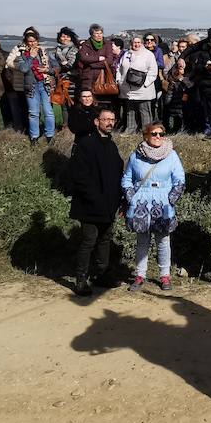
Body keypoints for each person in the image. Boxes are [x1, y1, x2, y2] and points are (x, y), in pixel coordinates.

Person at [67, 107, 125, 297]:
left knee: (105, 239)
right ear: (96, 121)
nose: (109, 122)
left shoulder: (112, 145)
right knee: (89, 240)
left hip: (108, 205)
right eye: (106, 119)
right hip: (89, 205)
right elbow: (80, 177)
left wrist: (119, 198)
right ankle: (81, 280)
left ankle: (102, 275)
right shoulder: (85, 144)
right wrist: (95, 198)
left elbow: (117, 174)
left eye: (112, 119)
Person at [123, 122, 185, 294]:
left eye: (161, 133)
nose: (158, 137)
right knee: (142, 241)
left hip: (162, 201)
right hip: (141, 201)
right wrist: (130, 196)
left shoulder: (171, 155)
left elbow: (180, 179)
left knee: (163, 241)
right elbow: (127, 177)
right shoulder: (136, 155)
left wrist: (171, 199)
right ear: (146, 135)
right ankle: (139, 275)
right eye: (154, 133)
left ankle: (165, 275)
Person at [116, 35, 158, 136]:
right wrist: (119, 80)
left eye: (139, 42)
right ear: (131, 43)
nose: (136, 44)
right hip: (128, 88)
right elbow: (119, 68)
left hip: (143, 89)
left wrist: (146, 84)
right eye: (135, 42)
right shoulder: (126, 54)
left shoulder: (148, 55)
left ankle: (147, 131)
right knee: (130, 111)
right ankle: (130, 129)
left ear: (142, 43)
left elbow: (153, 71)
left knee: (144, 111)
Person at [75, 25, 122, 113]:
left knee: (105, 102)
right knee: (88, 101)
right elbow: (83, 58)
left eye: (101, 33)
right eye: (96, 33)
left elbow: (109, 61)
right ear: (92, 34)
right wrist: (98, 58)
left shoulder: (107, 44)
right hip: (88, 78)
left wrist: (91, 64)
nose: (99, 35)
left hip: (103, 78)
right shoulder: (86, 44)